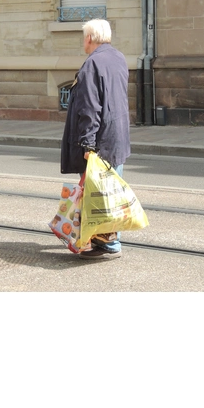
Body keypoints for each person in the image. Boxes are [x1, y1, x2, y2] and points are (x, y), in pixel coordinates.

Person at [61, 18, 131, 260]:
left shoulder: (92, 64)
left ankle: (108, 244)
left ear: (89, 38)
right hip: (117, 137)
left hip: (100, 141)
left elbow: (90, 107)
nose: (84, 42)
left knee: (100, 195)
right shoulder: (118, 58)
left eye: (84, 37)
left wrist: (88, 144)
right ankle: (104, 241)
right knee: (110, 193)